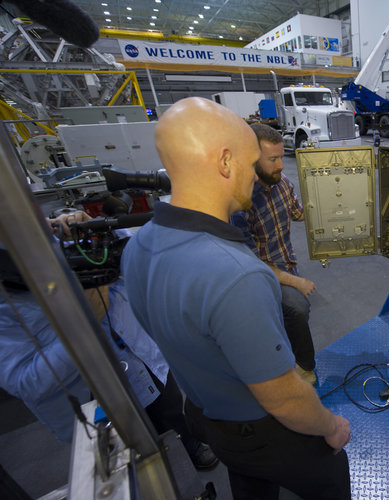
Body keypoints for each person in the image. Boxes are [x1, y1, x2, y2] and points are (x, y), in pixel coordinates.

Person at [121, 97, 351, 499]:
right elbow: (282, 396)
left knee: (250, 483)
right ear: (225, 162)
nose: (254, 177)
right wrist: (332, 427)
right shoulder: (237, 273)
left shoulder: (137, 247)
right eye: (249, 165)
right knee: (331, 472)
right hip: (258, 429)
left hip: (204, 415)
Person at [0, 213, 217, 469]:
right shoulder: (9, 304)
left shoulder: (63, 243)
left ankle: (188, 446)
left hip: (144, 361)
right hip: (97, 399)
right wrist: (85, 326)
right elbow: (26, 382)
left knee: (171, 415)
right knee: (131, 460)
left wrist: (102, 232)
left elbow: (138, 261)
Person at [230, 123, 317, 385]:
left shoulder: (284, 184)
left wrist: (328, 196)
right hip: (260, 277)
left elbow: (299, 214)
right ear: (253, 160)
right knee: (297, 308)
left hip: (287, 265)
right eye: (273, 159)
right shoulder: (240, 203)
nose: (281, 164)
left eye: (281, 157)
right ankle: (304, 369)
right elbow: (250, 263)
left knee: (292, 319)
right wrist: (296, 282)